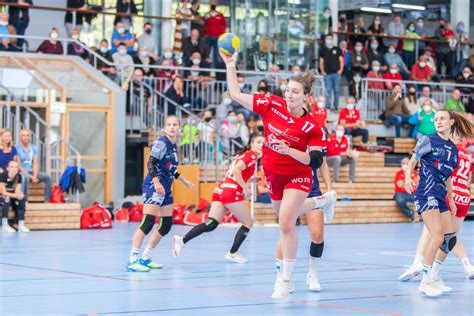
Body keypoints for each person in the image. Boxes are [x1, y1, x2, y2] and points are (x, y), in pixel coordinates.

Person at [220, 50, 336, 299]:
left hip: (299, 175)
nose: (289, 95)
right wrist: (231, 64)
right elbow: (236, 94)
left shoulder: (312, 127)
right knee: (285, 218)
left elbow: (314, 160)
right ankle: (321, 202)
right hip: (273, 175)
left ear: (306, 96)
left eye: (295, 92)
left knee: (285, 223)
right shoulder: (272, 104)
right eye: (287, 90)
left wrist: (291, 151)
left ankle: (286, 280)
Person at [404, 110, 474, 296]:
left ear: (451, 122)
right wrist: (408, 177)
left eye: (442, 118)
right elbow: (413, 161)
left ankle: (434, 277)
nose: (438, 121)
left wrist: (451, 199)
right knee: (437, 238)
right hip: (426, 191)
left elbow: (449, 176)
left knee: (449, 240)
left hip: (442, 194)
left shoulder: (453, 149)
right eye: (436, 119)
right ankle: (425, 282)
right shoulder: (427, 139)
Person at [172, 135, 265, 263]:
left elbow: (235, 172)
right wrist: (245, 188)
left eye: (264, 143)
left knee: (211, 224)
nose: (261, 144)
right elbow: (236, 171)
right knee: (248, 222)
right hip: (231, 191)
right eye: (258, 142)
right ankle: (232, 253)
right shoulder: (252, 155)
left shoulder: (245, 155)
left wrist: (250, 180)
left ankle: (182, 240)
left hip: (221, 189)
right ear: (252, 144)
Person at [126, 116, 195, 272]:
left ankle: (144, 258)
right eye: (169, 125)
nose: (172, 127)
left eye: (175, 125)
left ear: (179, 128)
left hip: (165, 187)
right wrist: (156, 182)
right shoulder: (161, 143)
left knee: (166, 224)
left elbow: (170, 168)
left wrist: (184, 181)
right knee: (148, 222)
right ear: (165, 128)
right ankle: (132, 260)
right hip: (154, 185)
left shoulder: (173, 146)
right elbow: (151, 163)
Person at [274, 134, 335, 293]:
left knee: (317, 235)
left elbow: (322, 164)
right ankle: (283, 277)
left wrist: (329, 189)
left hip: (312, 189)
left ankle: (312, 274)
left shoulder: (316, 134)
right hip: (290, 186)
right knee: (286, 229)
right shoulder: (284, 131)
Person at [16, 129, 52, 203]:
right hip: (22, 172)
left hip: (32, 172)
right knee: (25, 177)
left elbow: (35, 163)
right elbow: (19, 166)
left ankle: (46, 200)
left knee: (47, 177)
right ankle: (25, 200)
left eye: (27, 135)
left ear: (30, 137)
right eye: (23, 135)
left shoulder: (34, 148)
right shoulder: (16, 148)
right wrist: (31, 177)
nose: (25, 137)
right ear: (20, 137)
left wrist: (35, 176)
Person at [0, 160, 28, 233]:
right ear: (7, 168)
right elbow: (3, 192)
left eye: (16, 167)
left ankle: (21, 225)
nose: (14, 169)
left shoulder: (18, 176)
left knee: (22, 199)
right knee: (6, 199)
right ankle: (4, 225)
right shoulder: (2, 176)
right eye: (12, 167)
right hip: (2, 197)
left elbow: (17, 191)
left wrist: (19, 194)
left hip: (11, 197)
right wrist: (16, 195)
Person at [319, 33, 343, 112]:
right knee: (328, 91)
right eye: (327, 39)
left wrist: (341, 70)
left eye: (330, 38)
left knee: (336, 91)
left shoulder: (337, 49)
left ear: (332, 40)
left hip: (337, 74)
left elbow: (341, 61)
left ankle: (336, 108)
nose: (328, 40)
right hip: (327, 75)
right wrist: (322, 71)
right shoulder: (323, 50)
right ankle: (328, 107)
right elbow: (321, 62)